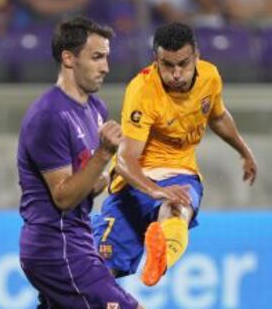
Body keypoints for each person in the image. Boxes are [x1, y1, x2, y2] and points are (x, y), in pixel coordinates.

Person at [92, 22, 258, 287]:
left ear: (197, 57)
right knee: (97, 278)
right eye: (168, 65)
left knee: (176, 207)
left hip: (179, 174)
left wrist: (244, 151)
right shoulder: (143, 90)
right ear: (156, 61)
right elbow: (124, 160)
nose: (177, 73)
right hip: (132, 183)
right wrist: (153, 189)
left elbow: (217, 116)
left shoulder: (210, 77)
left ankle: (161, 259)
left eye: (183, 64)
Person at [17, 16, 144, 309]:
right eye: (97, 57)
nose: (106, 67)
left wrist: (110, 176)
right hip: (56, 246)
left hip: (77, 239)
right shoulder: (49, 115)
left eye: (107, 57)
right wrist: (103, 154)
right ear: (69, 58)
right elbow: (63, 197)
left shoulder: (95, 108)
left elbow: (88, 186)